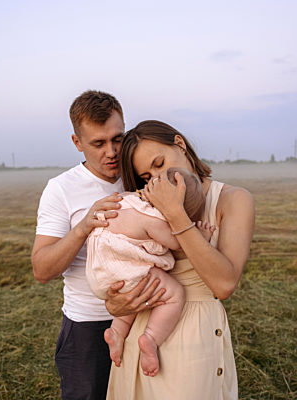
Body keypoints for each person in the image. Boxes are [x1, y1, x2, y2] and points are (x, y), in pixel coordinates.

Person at [105, 120, 255, 400]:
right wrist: (115, 303)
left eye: (160, 164)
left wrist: (176, 214)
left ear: (180, 144)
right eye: (147, 177)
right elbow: (124, 264)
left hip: (195, 340)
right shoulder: (145, 206)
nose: (158, 180)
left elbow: (223, 285)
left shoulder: (233, 200)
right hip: (144, 334)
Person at [31, 91, 166, 400]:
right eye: (98, 143)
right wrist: (84, 227)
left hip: (149, 321)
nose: (112, 152)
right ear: (77, 143)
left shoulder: (141, 175)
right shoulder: (60, 190)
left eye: (118, 139)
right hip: (88, 329)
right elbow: (41, 269)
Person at [86, 167, 215, 377]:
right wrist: (199, 235)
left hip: (99, 273)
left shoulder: (126, 199)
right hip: (123, 271)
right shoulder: (152, 218)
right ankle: (151, 338)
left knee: (133, 297)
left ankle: (117, 332)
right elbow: (179, 243)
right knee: (173, 293)